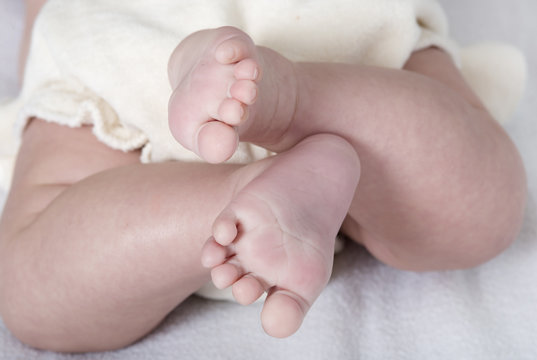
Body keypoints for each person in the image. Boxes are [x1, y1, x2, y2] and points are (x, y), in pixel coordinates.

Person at [0, 0, 527, 353]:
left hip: (112, 31)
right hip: (341, 23)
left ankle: (234, 197)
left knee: (34, 275)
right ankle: (290, 107)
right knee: (483, 199)